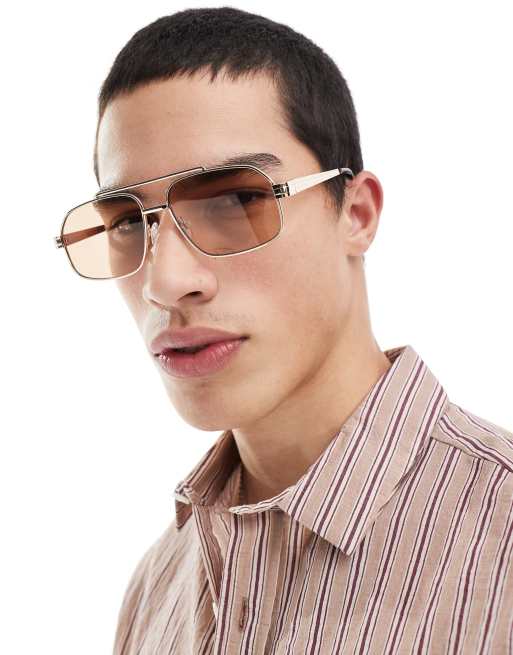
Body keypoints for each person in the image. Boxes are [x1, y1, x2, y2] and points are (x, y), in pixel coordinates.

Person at [54, 7, 513, 654]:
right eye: (128, 222)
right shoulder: (156, 588)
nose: (165, 281)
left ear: (355, 213)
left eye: (234, 201)